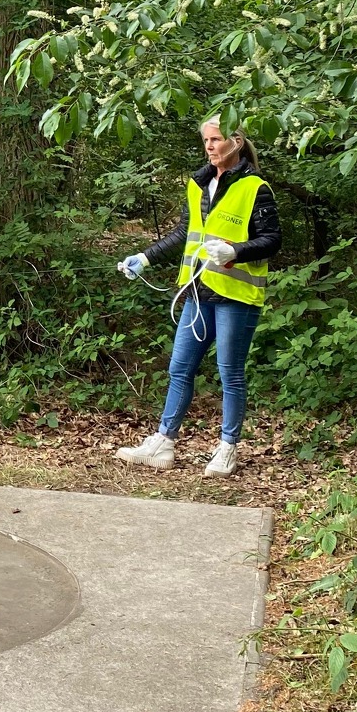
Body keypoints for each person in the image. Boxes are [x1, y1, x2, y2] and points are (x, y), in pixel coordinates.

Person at [114, 116, 279, 477]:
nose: (209, 146)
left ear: (236, 142)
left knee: (229, 373)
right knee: (179, 368)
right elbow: (184, 233)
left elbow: (272, 240)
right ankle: (164, 442)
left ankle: (227, 448)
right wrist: (145, 258)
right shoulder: (198, 184)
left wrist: (236, 251)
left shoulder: (255, 187)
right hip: (196, 291)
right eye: (206, 140)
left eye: (216, 139)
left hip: (236, 295)